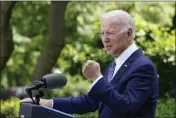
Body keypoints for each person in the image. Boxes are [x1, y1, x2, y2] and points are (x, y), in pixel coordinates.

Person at [20, 10, 158, 118]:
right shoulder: (115, 65)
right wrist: (48, 104)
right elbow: (91, 102)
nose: (105, 39)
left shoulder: (143, 67)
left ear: (129, 33)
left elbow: (126, 107)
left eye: (110, 32)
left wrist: (97, 79)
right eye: (102, 33)